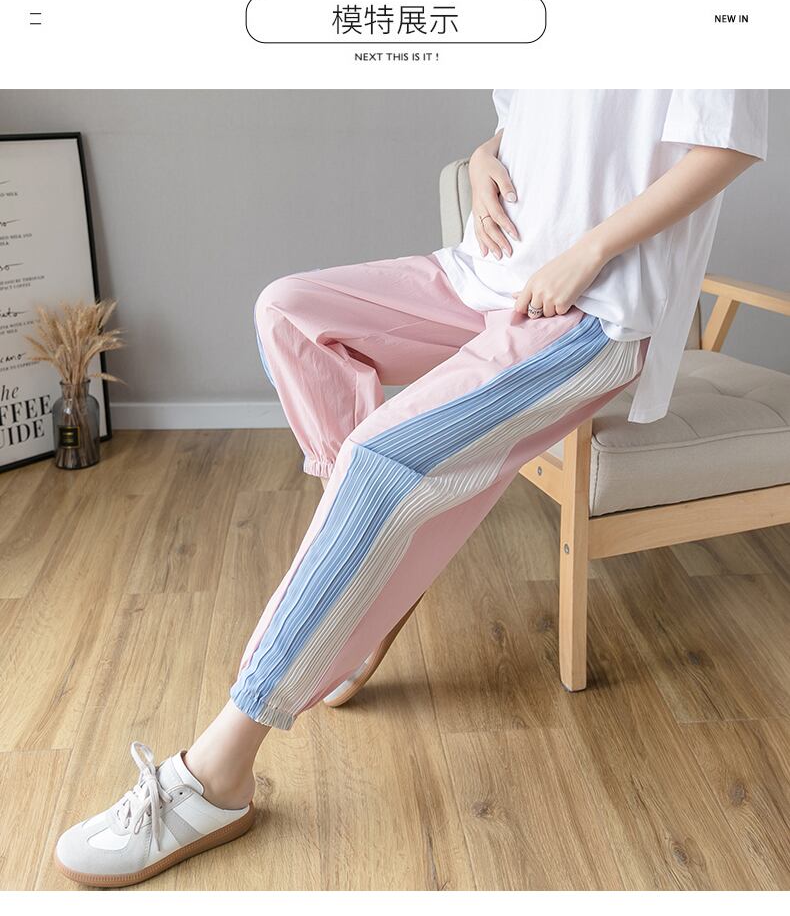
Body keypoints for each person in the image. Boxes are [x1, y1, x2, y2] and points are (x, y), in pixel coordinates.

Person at [54, 89, 768, 887]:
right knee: (287, 313)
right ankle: (365, 573)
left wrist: (592, 250)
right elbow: (542, 118)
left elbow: (728, 144)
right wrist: (486, 155)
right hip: (484, 273)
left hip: (590, 308)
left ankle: (221, 772)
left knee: (377, 459)